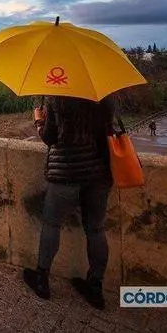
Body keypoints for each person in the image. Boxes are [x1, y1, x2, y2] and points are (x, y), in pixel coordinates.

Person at [24, 95, 115, 310]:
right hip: (99, 174)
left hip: (67, 172)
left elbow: (50, 138)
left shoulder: (59, 98)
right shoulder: (104, 97)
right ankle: (95, 288)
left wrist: (39, 120)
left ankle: (42, 281)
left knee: (51, 223)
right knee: (95, 229)